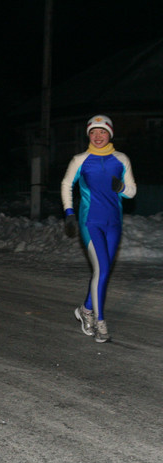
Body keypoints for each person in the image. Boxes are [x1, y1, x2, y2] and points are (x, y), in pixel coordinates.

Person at [61, 115, 136, 343]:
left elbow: (132, 191)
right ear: (88, 135)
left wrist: (121, 187)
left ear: (110, 133)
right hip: (90, 222)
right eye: (93, 132)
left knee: (102, 272)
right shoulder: (80, 160)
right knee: (102, 269)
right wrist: (69, 212)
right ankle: (99, 321)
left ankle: (84, 309)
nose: (98, 136)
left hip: (114, 223)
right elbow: (66, 184)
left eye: (102, 131)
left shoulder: (121, 159)